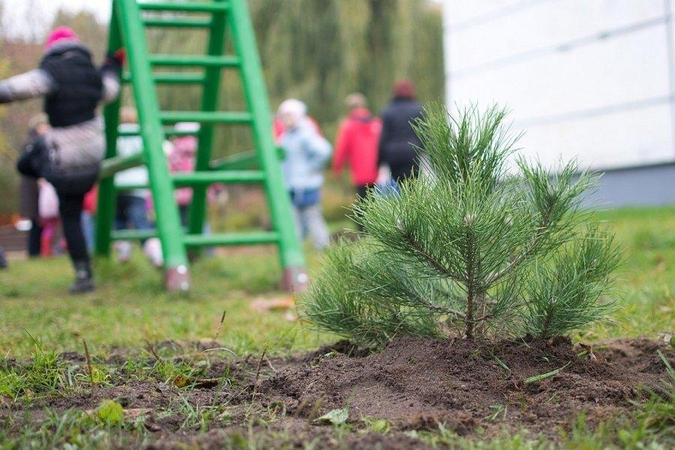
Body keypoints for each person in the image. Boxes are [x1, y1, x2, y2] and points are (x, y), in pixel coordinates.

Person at [2, 26, 123, 293]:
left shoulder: (52, 72)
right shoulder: (92, 74)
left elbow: (19, 88)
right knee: (73, 212)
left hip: (64, 156)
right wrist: (113, 65)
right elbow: (111, 90)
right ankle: (83, 273)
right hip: (93, 154)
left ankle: (83, 272)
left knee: (29, 164)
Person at [277, 99, 332, 250]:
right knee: (293, 221)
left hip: (307, 185)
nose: (287, 119)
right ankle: (295, 250)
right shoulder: (286, 136)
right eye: (284, 116)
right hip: (291, 185)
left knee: (313, 218)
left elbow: (324, 150)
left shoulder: (305, 133)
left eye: (290, 115)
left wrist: (311, 168)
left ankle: (323, 248)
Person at [114, 107, 162, 267]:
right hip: (138, 185)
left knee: (119, 219)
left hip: (118, 183)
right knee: (140, 220)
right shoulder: (143, 133)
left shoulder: (114, 133)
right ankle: (155, 253)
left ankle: (124, 248)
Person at [332, 92, 381, 202]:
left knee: (363, 204)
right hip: (377, 170)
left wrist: (337, 169)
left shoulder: (348, 126)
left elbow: (341, 150)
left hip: (360, 172)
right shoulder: (376, 123)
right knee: (377, 202)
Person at [377, 79, 425, 186]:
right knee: (413, 185)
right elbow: (424, 135)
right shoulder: (418, 109)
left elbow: (383, 137)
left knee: (399, 185)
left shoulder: (388, 110)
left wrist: (379, 161)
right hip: (413, 152)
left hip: (393, 155)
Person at [18, 114, 50, 257]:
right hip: (32, 188)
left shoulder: (38, 142)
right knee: (35, 221)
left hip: (39, 186)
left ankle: (41, 251)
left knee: (42, 221)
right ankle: (34, 252)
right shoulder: (32, 144)